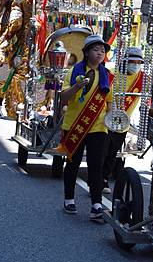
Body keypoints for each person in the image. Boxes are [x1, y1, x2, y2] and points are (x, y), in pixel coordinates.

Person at [59, 34, 113, 222]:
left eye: (102, 51)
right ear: (87, 52)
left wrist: (110, 119)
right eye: (96, 50)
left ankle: (96, 204)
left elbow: (109, 101)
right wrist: (77, 85)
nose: (100, 54)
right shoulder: (74, 71)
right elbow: (64, 97)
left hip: (98, 127)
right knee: (72, 164)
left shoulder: (105, 75)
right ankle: (69, 199)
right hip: (74, 125)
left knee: (96, 165)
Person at [101, 46, 144, 193]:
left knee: (113, 152)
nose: (136, 65)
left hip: (123, 123)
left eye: (139, 62)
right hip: (106, 119)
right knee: (103, 150)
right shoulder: (111, 74)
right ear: (124, 61)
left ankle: (104, 177)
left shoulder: (142, 79)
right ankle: (98, 180)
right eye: (132, 61)